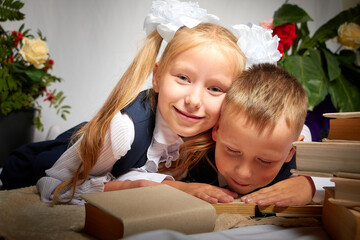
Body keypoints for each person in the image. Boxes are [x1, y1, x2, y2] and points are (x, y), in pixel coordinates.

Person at [28, 0, 255, 205]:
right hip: (37, 162)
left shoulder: (219, 136)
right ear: (157, 77)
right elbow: (51, 186)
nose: (193, 101)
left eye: (215, 89)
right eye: (183, 78)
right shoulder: (122, 129)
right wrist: (132, 187)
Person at [164, 63, 315, 206]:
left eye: (265, 161)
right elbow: (143, 178)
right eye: (232, 150)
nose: (243, 173)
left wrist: (310, 184)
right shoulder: (191, 149)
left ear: (290, 152)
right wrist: (178, 188)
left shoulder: (295, 155)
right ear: (216, 129)